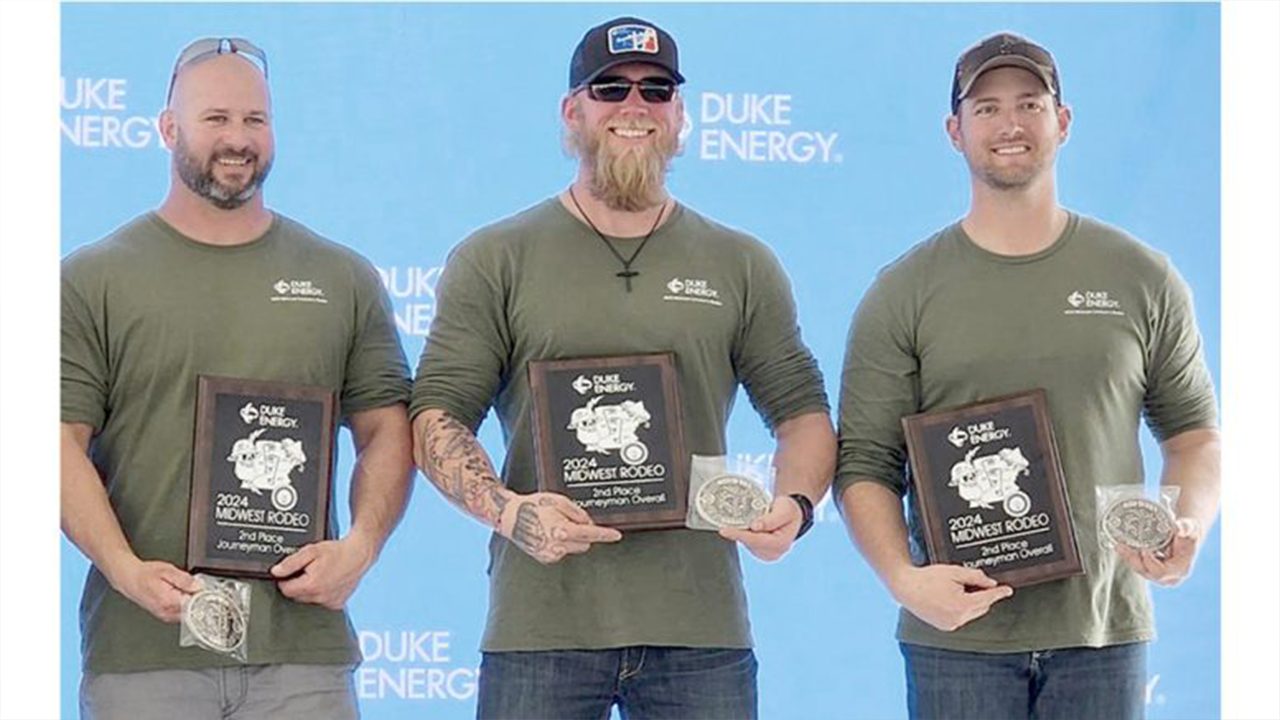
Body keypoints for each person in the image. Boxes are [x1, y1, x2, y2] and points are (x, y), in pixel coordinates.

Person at [410, 16, 834, 720]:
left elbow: (803, 413)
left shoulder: (740, 262)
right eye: (611, 89)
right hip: (539, 627)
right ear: (572, 111)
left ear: (679, 114)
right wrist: (510, 512)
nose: (634, 106)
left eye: (657, 89)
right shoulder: (495, 258)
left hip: (701, 628)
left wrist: (794, 509)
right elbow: (437, 416)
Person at [836, 31, 1220, 720]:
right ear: (954, 131)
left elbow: (1194, 435)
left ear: (1062, 122)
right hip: (957, 639)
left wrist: (1187, 523)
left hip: (1102, 632)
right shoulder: (903, 292)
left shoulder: (1141, 277)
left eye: (1029, 104)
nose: (1009, 124)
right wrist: (902, 579)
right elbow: (864, 463)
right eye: (985, 108)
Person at [61, 37, 413, 720]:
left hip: (303, 656)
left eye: (255, 120)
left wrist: (362, 546)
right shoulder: (93, 279)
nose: (238, 139)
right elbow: (55, 443)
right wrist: (125, 570)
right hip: (145, 653)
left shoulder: (341, 276)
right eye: (216, 118)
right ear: (168, 129)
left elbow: (386, 429)